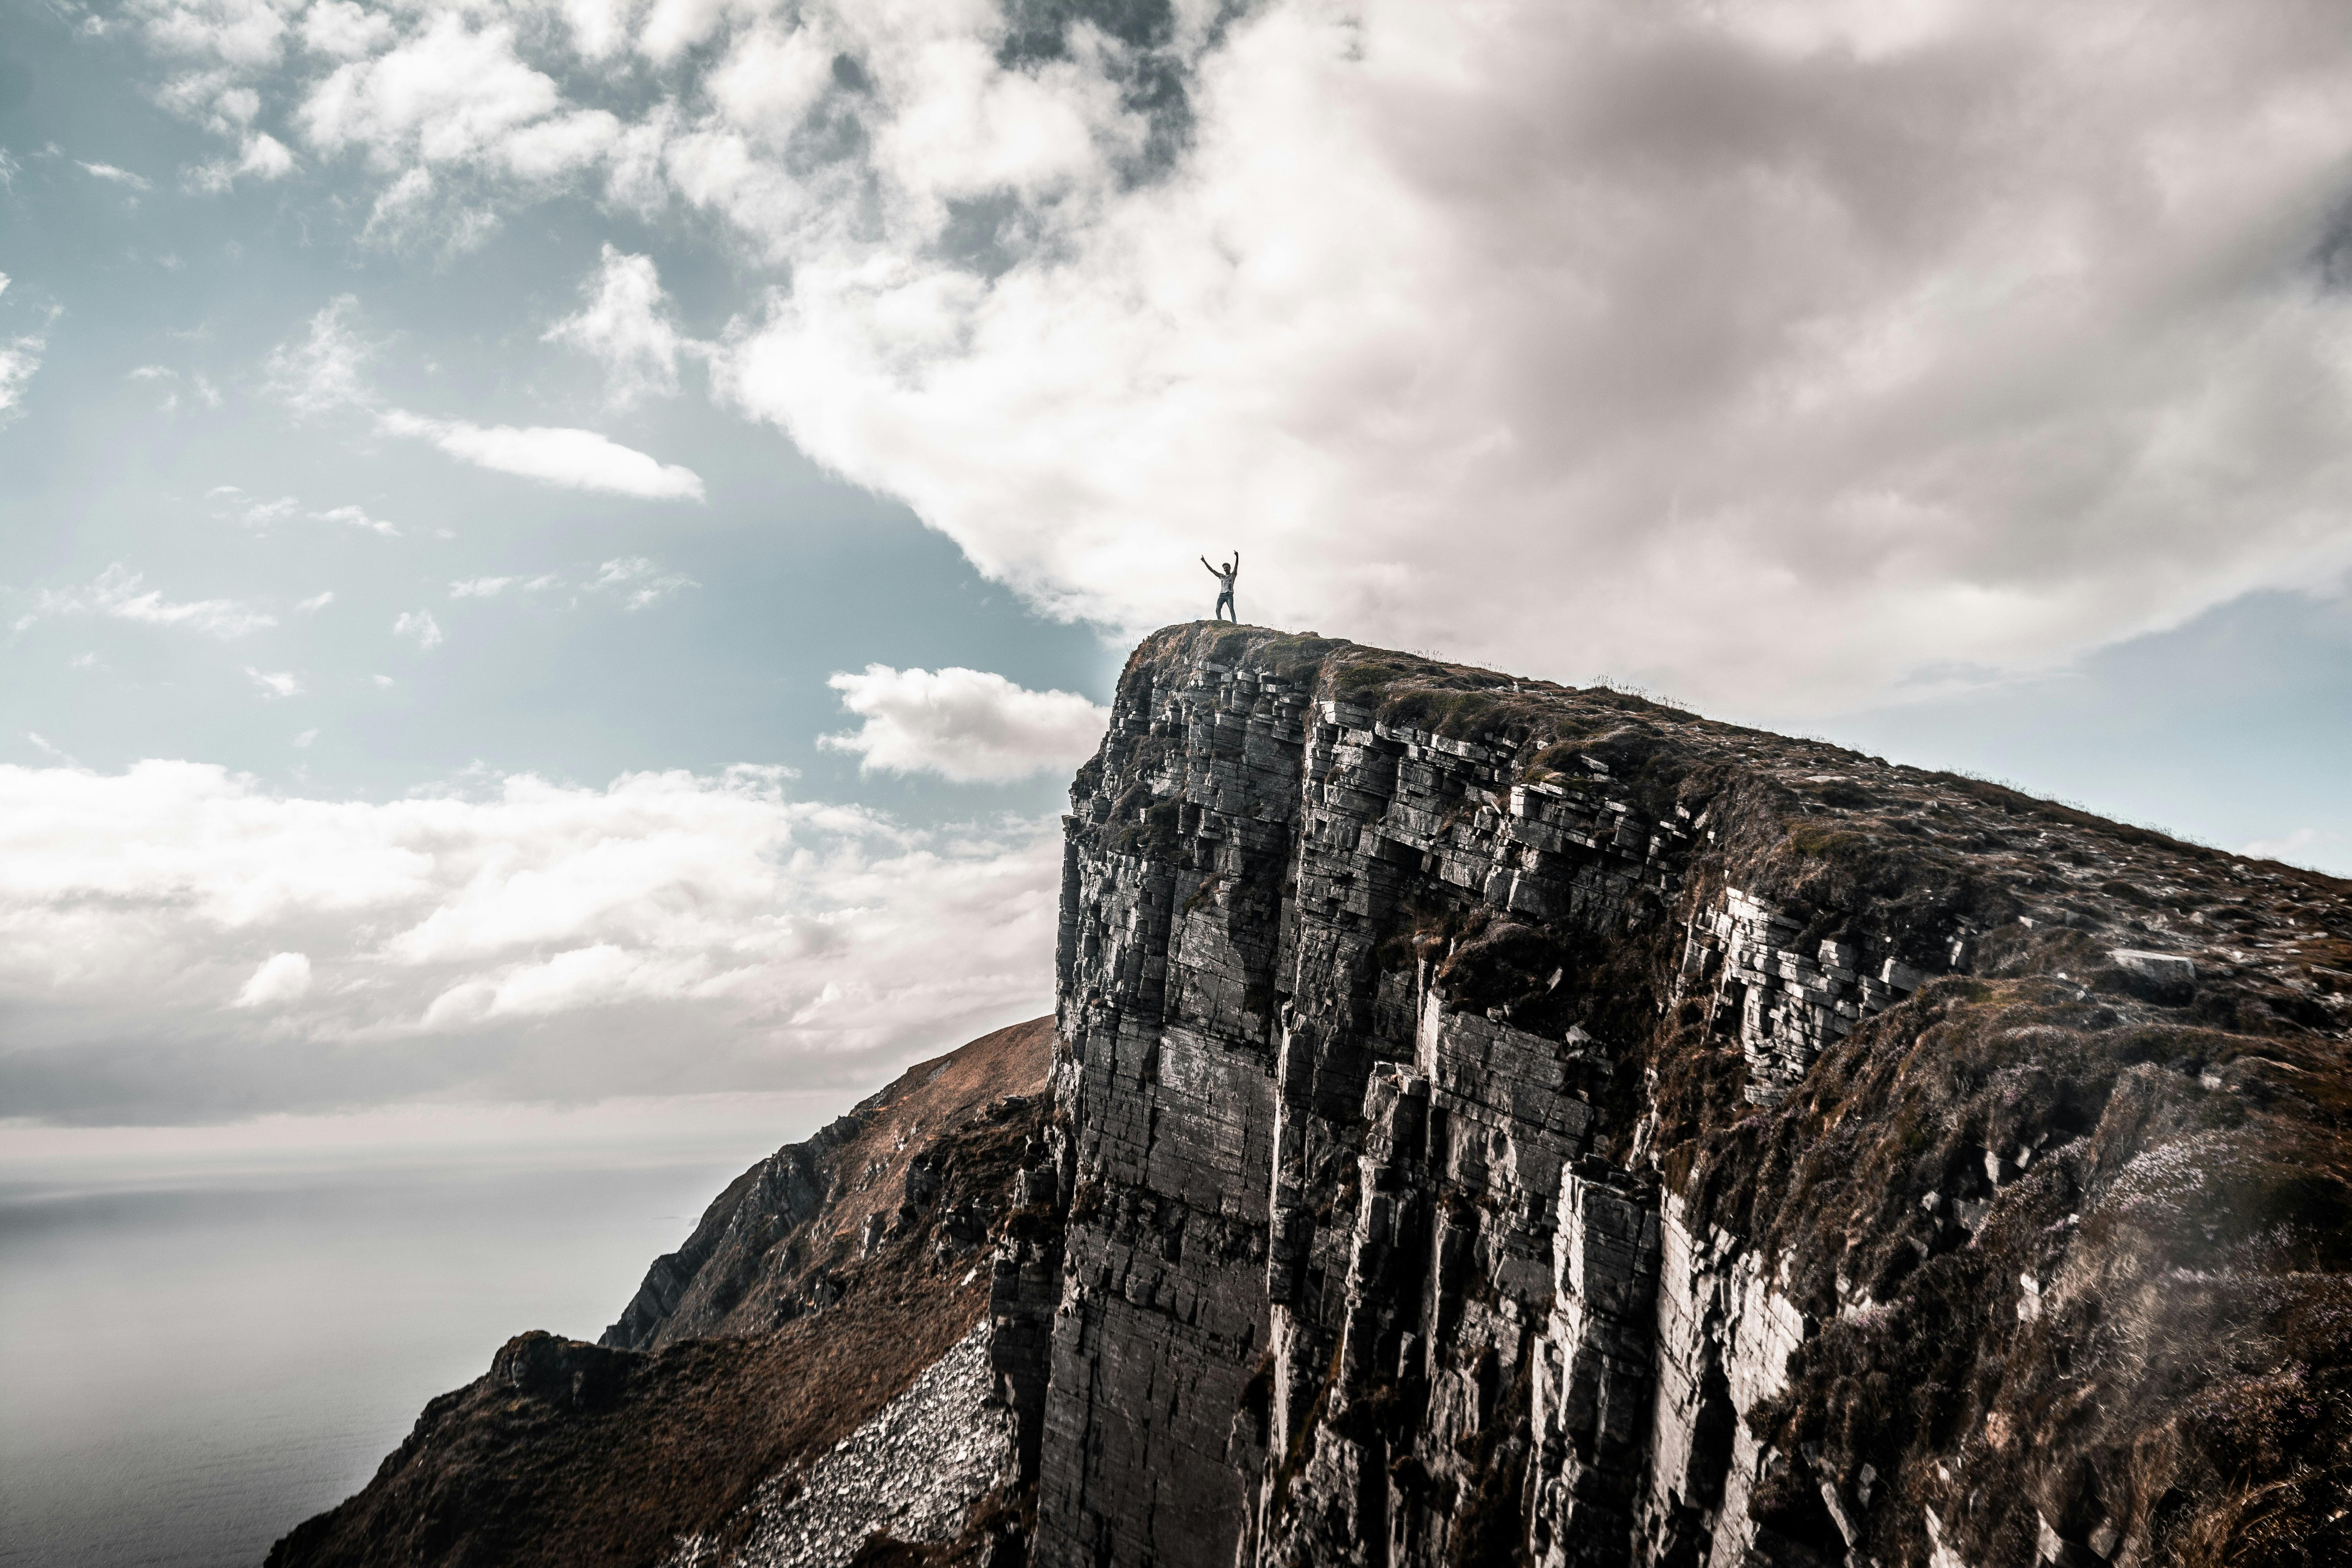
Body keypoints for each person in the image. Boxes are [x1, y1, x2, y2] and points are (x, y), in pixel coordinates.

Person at [1201, 552, 1239, 622]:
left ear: (1230, 568)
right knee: (1218, 609)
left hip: (1229, 595)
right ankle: (1220, 622)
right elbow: (1212, 570)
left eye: (1227, 568)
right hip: (1222, 595)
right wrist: (1204, 562)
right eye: (1224, 568)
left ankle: (1234, 622)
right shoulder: (1221, 576)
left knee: (1231, 608)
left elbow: (1236, 567)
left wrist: (1237, 557)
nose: (1226, 569)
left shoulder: (1233, 575)